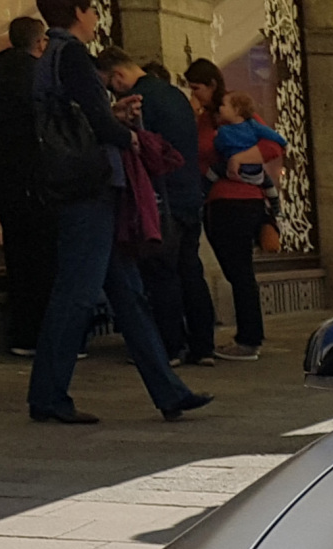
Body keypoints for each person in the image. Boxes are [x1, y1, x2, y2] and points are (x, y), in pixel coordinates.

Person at [25, 0, 204, 423]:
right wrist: (130, 136)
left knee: (129, 295)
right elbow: (98, 126)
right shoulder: (70, 55)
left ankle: (169, 391)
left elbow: (82, 118)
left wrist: (112, 116)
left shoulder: (50, 56)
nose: (96, 18)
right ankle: (48, 395)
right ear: (79, 11)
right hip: (90, 191)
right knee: (77, 294)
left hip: (83, 189)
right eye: (91, 10)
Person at [115, 45, 210, 365]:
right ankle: (203, 345)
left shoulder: (141, 100)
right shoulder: (177, 95)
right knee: (190, 268)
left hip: (161, 196)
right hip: (188, 193)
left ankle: (170, 346)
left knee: (161, 272)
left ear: (118, 75)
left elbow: (143, 149)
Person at [0, 17, 52, 356]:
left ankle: (26, 335)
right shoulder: (35, 79)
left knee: (20, 257)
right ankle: (48, 336)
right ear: (40, 44)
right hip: (37, 183)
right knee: (46, 258)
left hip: (6, 186)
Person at [192, 63, 275, 358]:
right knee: (236, 270)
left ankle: (249, 338)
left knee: (239, 271)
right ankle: (249, 335)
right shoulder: (203, 119)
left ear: (212, 85)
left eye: (197, 87)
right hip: (216, 202)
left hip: (238, 202)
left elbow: (272, 146)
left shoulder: (238, 112)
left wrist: (239, 158)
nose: (194, 93)